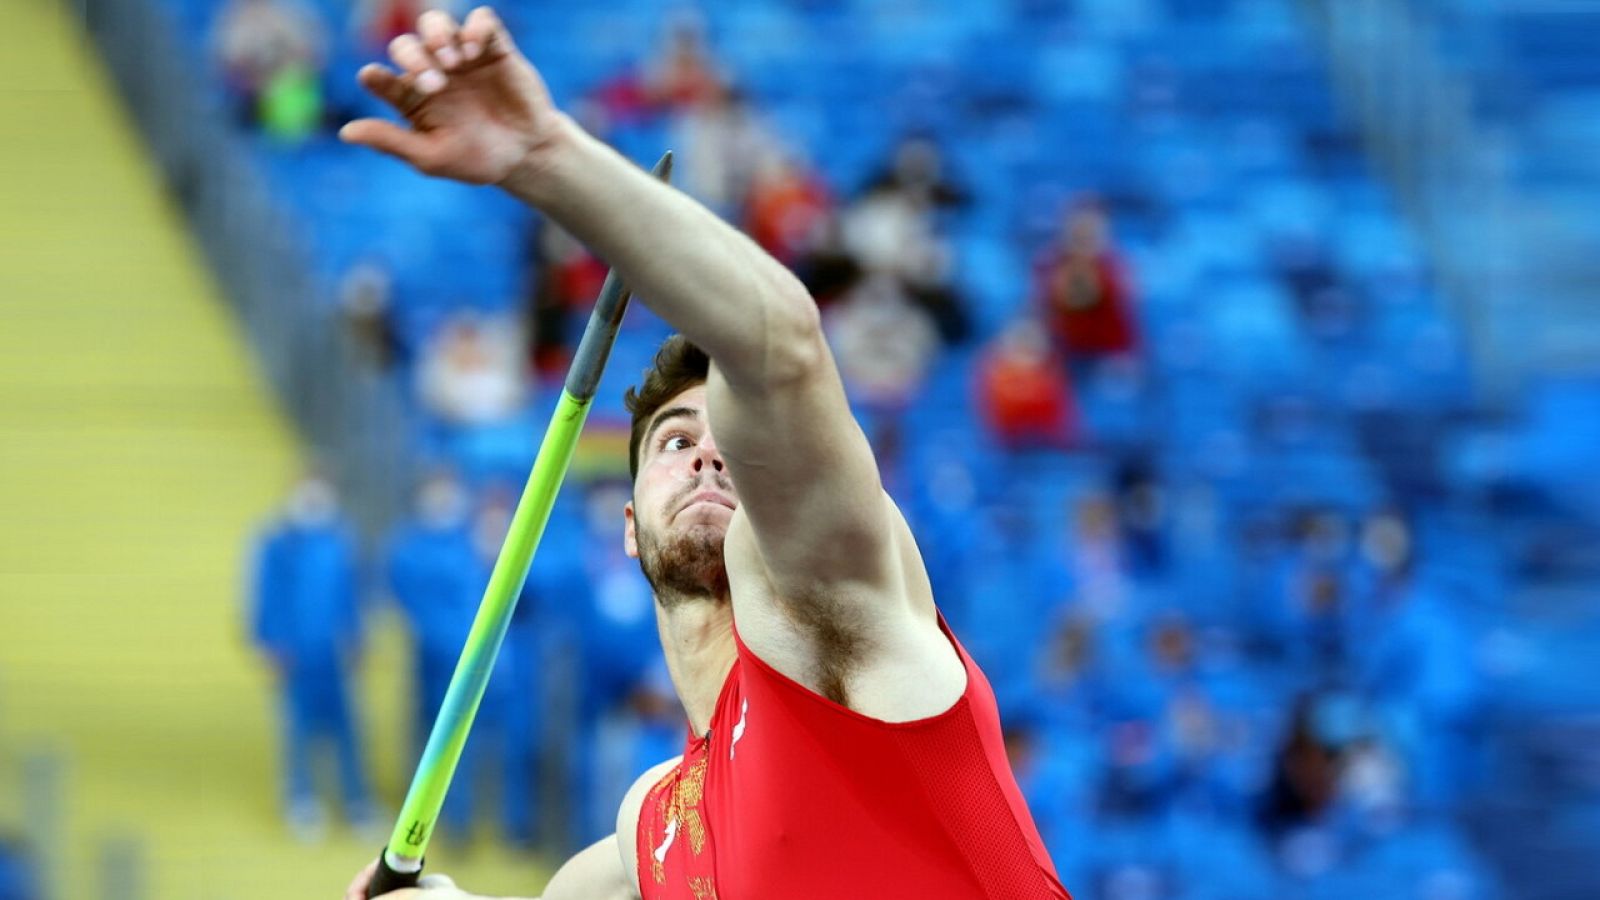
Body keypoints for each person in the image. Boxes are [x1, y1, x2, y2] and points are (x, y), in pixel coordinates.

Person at [339, 8, 1069, 898]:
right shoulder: (653, 824)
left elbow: (781, 346)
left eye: (731, 445)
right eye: (676, 442)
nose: (708, 460)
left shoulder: (833, 615)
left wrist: (544, 158)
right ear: (628, 527)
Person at [250, 474, 374, 841]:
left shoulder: (342, 539)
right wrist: (268, 640)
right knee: (298, 731)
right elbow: (264, 593)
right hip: (295, 652)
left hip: (334, 652)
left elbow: (353, 593)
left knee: (348, 730)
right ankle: (301, 801)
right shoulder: (278, 542)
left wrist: (357, 636)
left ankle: (357, 802)